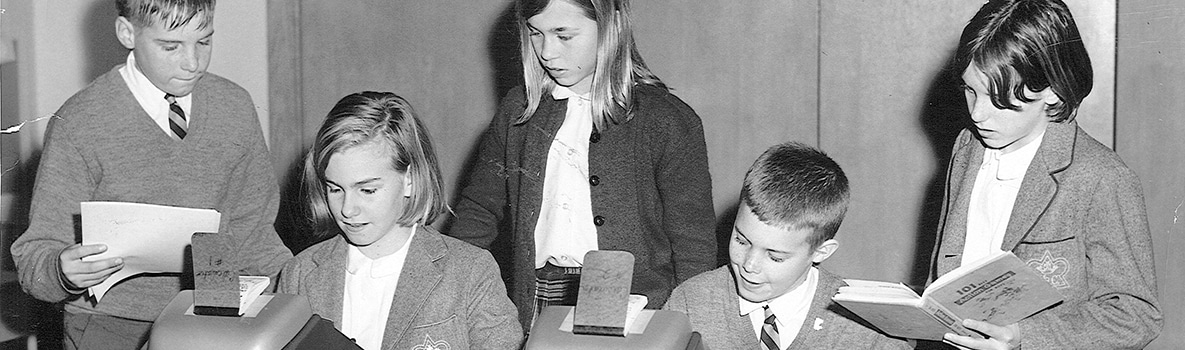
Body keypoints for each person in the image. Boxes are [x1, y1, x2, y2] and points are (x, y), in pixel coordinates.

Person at [9, 1, 293, 348]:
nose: (192, 63)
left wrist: (298, 291)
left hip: (209, 321)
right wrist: (61, 271)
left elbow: (256, 233)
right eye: (171, 46)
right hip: (108, 325)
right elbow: (33, 259)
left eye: (204, 41)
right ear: (127, 33)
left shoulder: (234, 107)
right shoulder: (80, 122)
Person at [448, 0, 716, 328]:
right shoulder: (518, 111)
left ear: (610, 27)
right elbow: (478, 211)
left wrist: (685, 323)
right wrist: (454, 290)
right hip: (537, 295)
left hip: (639, 306)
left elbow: (693, 241)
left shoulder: (666, 120)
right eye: (536, 34)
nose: (546, 52)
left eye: (564, 35)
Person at [930, 0, 1162, 348]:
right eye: (969, 91)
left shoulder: (1101, 177)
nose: (978, 114)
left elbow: (1136, 315)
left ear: (1052, 91)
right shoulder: (968, 147)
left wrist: (1024, 337)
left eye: (997, 99)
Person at [278, 92, 523, 350]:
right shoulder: (300, 273)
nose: (348, 210)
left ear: (409, 179)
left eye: (367, 190)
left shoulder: (470, 272)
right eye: (335, 189)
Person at [664, 142, 911, 350]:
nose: (749, 265)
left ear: (821, 252)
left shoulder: (864, 324)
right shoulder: (691, 301)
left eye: (775, 257)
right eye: (741, 240)